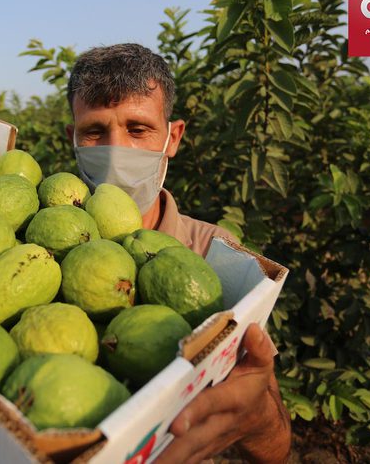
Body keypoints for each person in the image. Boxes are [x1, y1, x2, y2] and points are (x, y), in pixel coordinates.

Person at [65, 43, 292, 463]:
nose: (119, 151)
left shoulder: (215, 256)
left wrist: (257, 417)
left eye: (138, 129)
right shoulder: (39, 247)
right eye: (95, 131)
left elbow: (276, 449)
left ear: (173, 137)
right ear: (73, 140)